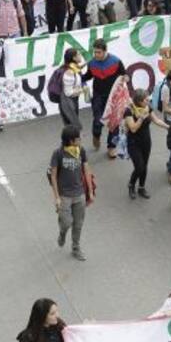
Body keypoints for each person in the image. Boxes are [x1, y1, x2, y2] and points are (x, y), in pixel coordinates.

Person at [50, 124, 91, 261]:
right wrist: (56, 197)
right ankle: (62, 233)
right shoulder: (58, 153)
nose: (80, 141)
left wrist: (90, 191)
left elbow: (86, 171)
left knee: (78, 224)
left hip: (79, 194)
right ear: (71, 140)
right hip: (64, 196)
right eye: (78, 139)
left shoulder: (81, 151)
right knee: (67, 223)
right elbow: (53, 176)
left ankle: (75, 248)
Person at [122, 89, 166, 200]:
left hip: (146, 141)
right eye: (146, 99)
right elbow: (133, 128)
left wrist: (169, 127)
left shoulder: (147, 107)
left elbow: (156, 120)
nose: (148, 101)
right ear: (140, 101)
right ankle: (131, 185)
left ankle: (141, 187)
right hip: (133, 143)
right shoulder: (129, 111)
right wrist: (142, 117)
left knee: (144, 165)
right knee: (139, 166)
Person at [86, 39, 126, 155]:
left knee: (114, 122)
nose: (96, 55)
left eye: (98, 52)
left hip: (113, 96)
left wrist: (125, 78)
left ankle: (111, 146)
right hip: (98, 95)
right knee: (98, 120)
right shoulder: (92, 63)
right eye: (94, 52)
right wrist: (77, 78)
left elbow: (124, 73)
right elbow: (88, 76)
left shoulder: (116, 61)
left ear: (105, 51)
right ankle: (96, 134)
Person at [53, 48, 86, 126]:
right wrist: (83, 90)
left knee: (72, 127)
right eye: (79, 54)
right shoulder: (69, 72)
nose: (81, 56)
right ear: (74, 58)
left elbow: (78, 68)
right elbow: (68, 93)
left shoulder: (72, 67)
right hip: (68, 103)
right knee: (72, 128)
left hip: (70, 102)